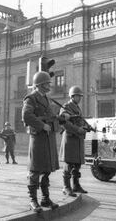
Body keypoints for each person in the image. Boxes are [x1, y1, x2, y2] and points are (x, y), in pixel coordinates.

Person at [22, 71, 60, 213]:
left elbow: (51, 116)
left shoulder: (46, 99)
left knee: (47, 170)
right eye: (46, 83)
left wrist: (61, 118)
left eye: (49, 83)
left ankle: (45, 198)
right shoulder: (31, 98)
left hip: (48, 139)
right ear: (39, 85)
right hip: (38, 137)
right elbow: (26, 115)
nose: (49, 86)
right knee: (35, 170)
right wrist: (42, 125)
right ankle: (33, 200)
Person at [59, 86, 88, 197]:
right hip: (70, 139)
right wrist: (77, 129)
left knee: (77, 164)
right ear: (72, 96)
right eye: (77, 96)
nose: (79, 98)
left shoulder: (77, 107)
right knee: (69, 164)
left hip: (78, 139)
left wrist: (85, 127)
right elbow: (64, 123)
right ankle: (66, 187)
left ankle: (76, 185)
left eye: (80, 96)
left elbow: (79, 120)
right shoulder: (66, 107)